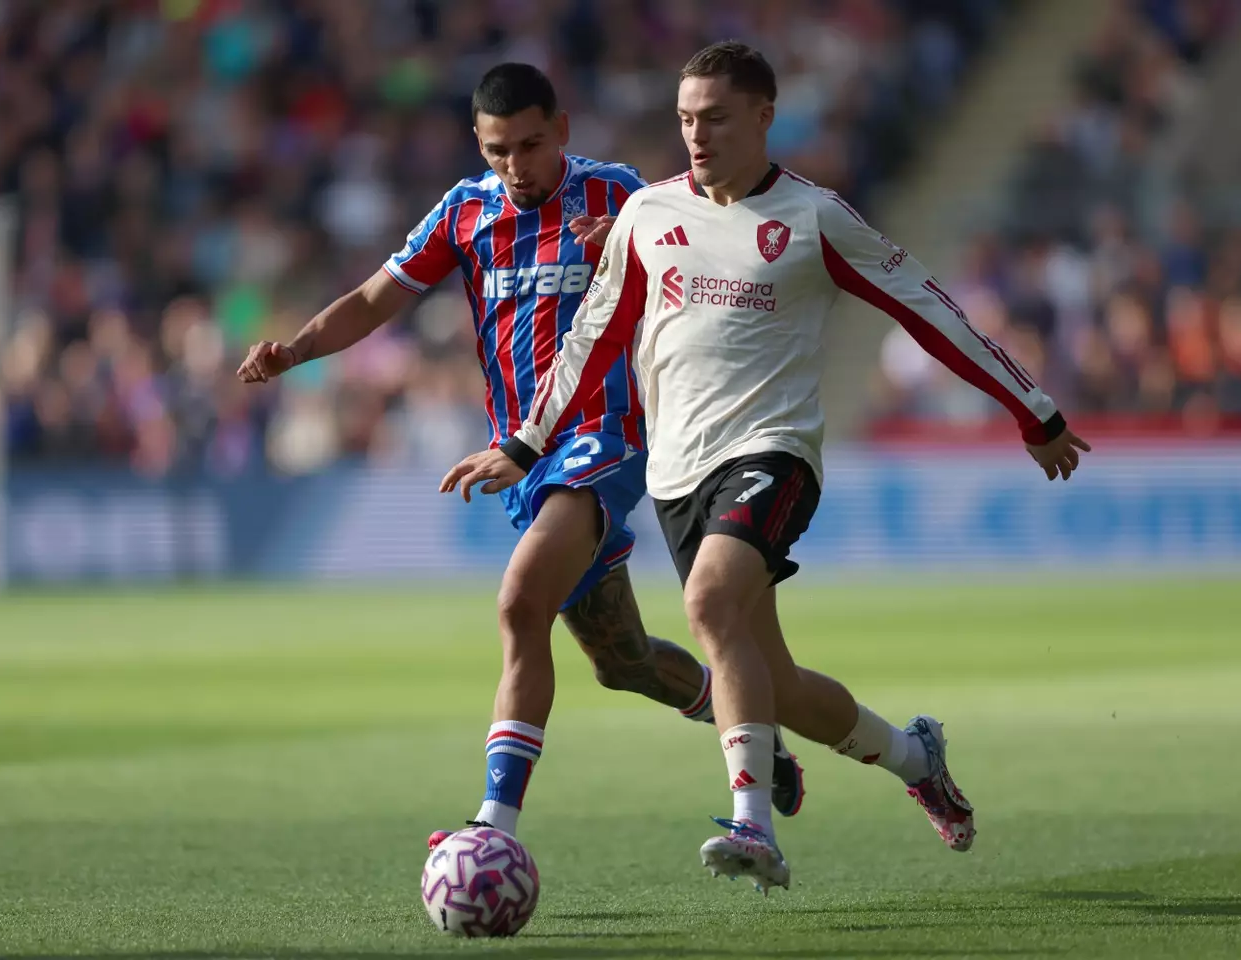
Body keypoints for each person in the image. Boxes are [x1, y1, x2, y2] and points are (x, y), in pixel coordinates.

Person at [441, 42, 1090, 893]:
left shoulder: (816, 219)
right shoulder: (647, 216)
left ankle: (752, 827)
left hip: (774, 452)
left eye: (714, 118)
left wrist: (1033, 410)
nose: (696, 135)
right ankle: (913, 756)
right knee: (771, 680)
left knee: (709, 601)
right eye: (684, 119)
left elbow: (931, 311)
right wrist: (525, 442)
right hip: (677, 474)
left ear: (763, 117)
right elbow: (590, 339)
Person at [236, 62, 805, 844]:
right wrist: (296, 350)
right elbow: (376, 298)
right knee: (623, 660)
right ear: (479, 142)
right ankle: (746, 724)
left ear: (562, 131)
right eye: (500, 150)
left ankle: (492, 826)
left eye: (532, 146)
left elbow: (705, 263)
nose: (517, 166)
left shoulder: (619, 194)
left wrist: (629, 250)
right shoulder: (464, 212)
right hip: (524, 456)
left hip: (608, 437)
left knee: (517, 601)